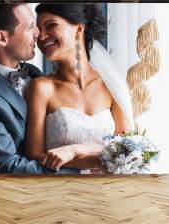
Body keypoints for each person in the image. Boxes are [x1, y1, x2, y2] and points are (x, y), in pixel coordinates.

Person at [0, 3, 85, 174]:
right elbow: (7, 166)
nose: (39, 34)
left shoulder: (33, 73)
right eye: (31, 27)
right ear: (2, 38)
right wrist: (83, 170)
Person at [25, 4, 134, 173]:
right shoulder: (41, 87)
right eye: (39, 30)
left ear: (79, 27)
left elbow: (129, 146)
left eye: (51, 25)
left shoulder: (110, 84)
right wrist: (96, 161)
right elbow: (34, 154)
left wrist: (75, 150)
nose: (41, 36)